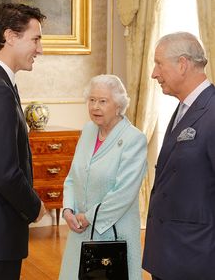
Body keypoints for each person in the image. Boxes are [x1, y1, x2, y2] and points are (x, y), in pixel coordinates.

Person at [0, 3, 47, 280]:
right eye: (36, 39)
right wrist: (35, 207)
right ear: (10, 36)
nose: (40, 49)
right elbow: (5, 172)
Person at [59, 74, 147, 280]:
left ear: (118, 105)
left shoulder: (133, 139)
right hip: (80, 231)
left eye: (102, 101)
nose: (95, 107)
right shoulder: (88, 130)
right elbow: (73, 176)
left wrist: (89, 217)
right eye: (91, 100)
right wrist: (68, 210)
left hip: (115, 234)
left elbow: (124, 193)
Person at [142, 32, 215, 280]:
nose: (154, 74)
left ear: (182, 64)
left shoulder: (212, 111)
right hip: (169, 255)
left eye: (159, 63)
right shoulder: (183, 108)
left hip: (196, 257)